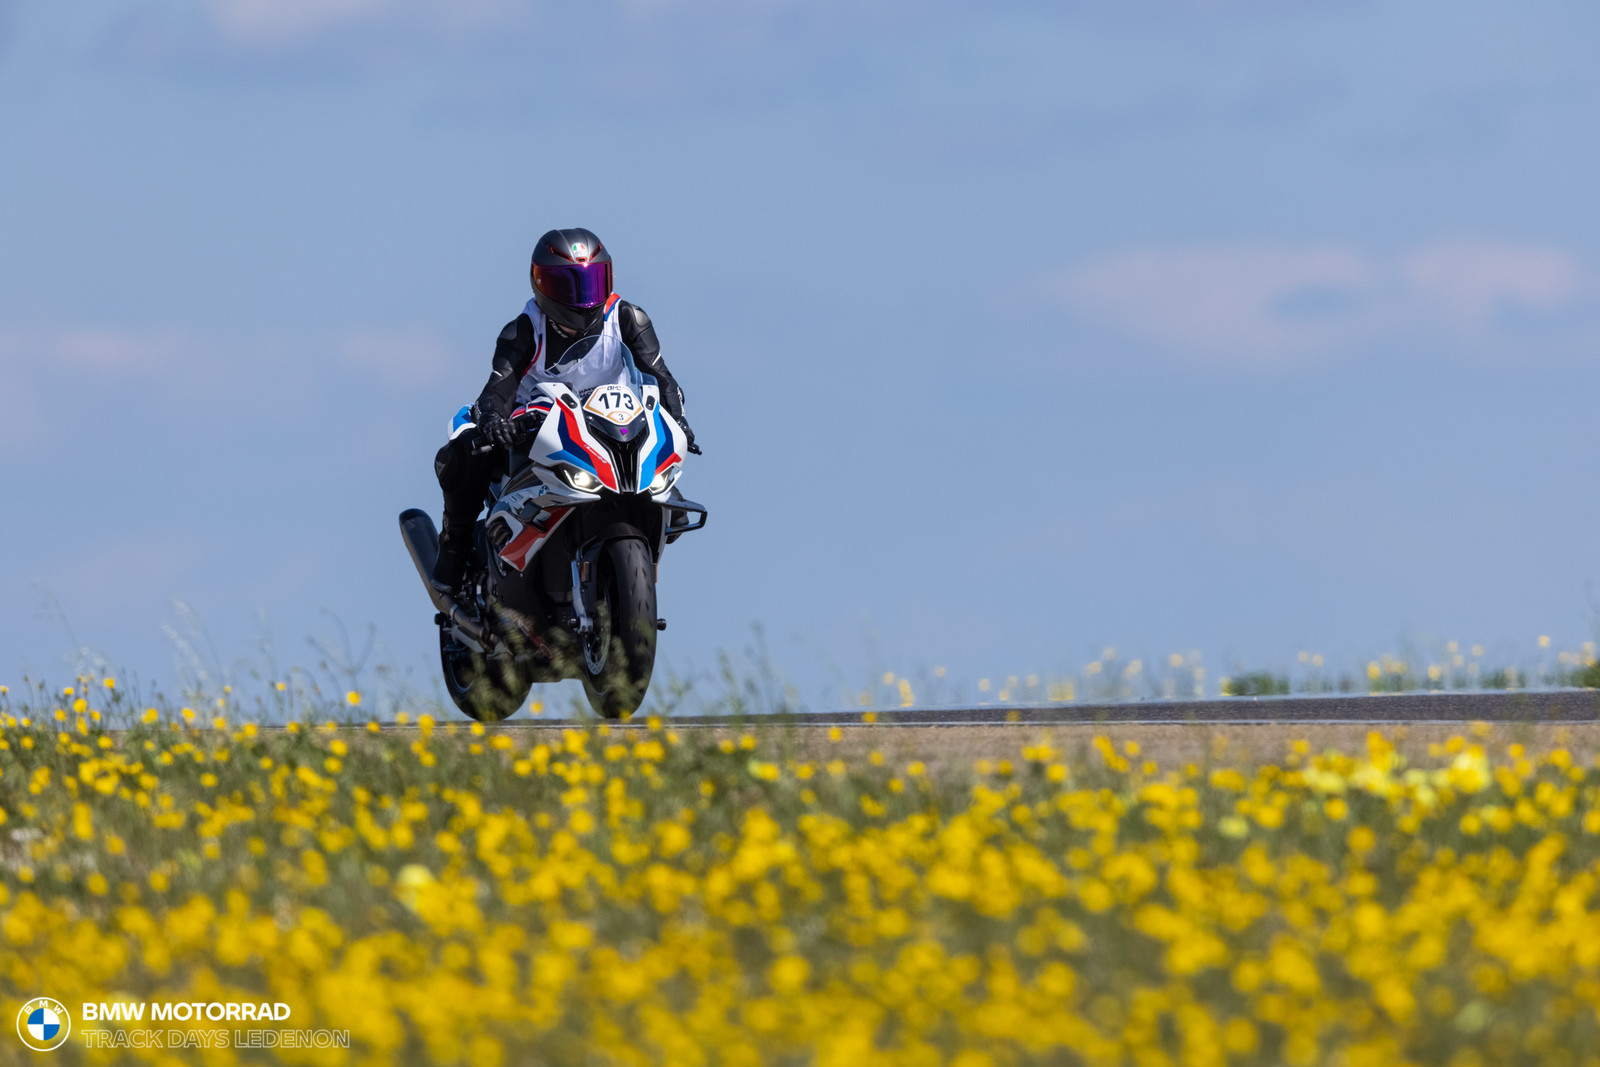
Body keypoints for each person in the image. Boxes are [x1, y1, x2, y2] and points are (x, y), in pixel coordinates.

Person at [430, 227, 699, 593]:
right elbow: (498, 387)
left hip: (614, 429)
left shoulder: (627, 319)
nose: (582, 298)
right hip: (537, 429)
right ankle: (454, 551)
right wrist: (495, 421)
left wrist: (679, 420)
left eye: (591, 282)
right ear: (541, 286)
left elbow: (662, 377)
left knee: (676, 506)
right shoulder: (524, 330)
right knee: (462, 454)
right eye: (567, 286)